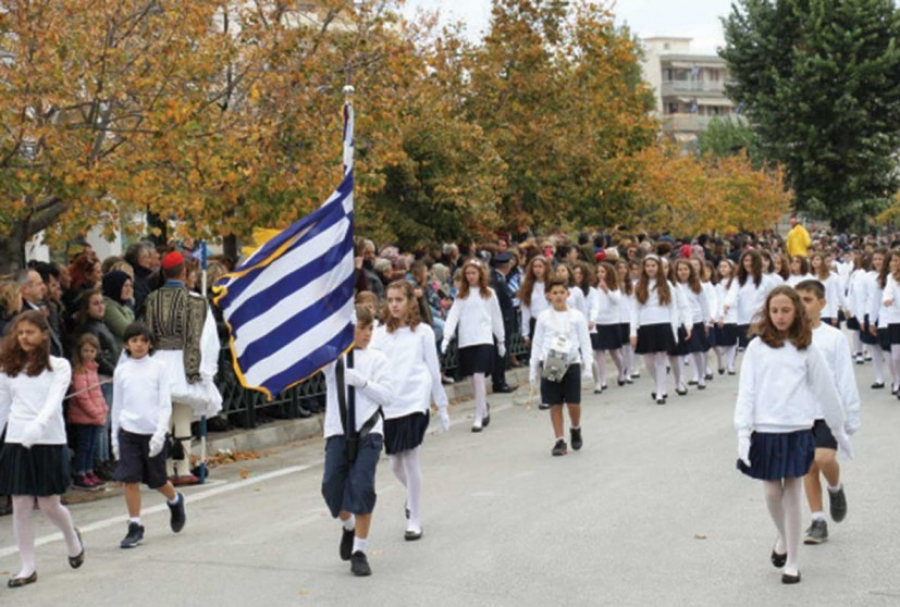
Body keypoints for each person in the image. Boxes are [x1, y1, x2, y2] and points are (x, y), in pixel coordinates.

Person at [734, 286, 852, 584]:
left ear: (796, 312)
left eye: (786, 310)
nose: (780, 316)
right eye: (774, 310)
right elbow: (746, 391)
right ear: (767, 312)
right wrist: (743, 431)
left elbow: (827, 391)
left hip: (798, 428)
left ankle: (793, 562)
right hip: (766, 429)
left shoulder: (807, 348)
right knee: (773, 492)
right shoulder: (757, 348)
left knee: (793, 492)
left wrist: (839, 430)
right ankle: (783, 538)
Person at [0, 311, 84, 588]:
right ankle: (27, 567)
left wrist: (37, 427)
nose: (24, 337)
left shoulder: (58, 366)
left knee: (49, 504)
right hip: (16, 440)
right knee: (21, 503)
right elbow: (2, 407)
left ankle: (72, 538)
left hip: (47, 439)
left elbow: (53, 402)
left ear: (44, 335)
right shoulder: (8, 367)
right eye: (20, 332)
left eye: (29, 332)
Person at [372, 280, 450, 541]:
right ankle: (412, 495)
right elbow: (370, 366)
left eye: (399, 300)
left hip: (415, 400)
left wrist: (441, 404)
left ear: (410, 302)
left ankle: (415, 519)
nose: (394, 305)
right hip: (390, 403)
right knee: (395, 464)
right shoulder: (380, 333)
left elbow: (432, 368)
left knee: (410, 457)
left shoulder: (424, 332)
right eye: (390, 300)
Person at [321, 306, 393, 576]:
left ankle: (360, 550)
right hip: (338, 430)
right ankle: (348, 526)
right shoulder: (334, 358)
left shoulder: (378, 359)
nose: (366, 334)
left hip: (368, 430)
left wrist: (363, 383)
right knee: (331, 488)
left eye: (370, 328)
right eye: (361, 328)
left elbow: (388, 396)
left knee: (362, 487)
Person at [142, 251, 223, 485]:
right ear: (184, 273)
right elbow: (206, 339)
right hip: (185, 361)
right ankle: (184, 468)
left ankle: (165, 469)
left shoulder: (151, 299)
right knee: (182, 416)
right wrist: (205, 368)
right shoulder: (197, 302)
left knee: (163, 418)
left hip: (158, 361)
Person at [794, 280, 860, 545]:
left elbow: (845, 377)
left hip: (826, 412)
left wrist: (850, 414)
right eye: (798, 299)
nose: (802, 305)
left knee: (823, 459)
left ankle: (835, 488)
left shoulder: (834, 337)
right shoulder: (788, 336)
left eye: (808, 299)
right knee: (807, 467)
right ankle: (818, 520)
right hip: (798, 412)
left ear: (822, 303)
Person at [111, 322, 187, 548]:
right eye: (134, 341)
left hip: (152, 431)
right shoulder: (121, 370)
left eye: (143, 341)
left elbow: (165, 404)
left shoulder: (159, 368)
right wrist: (114, 438)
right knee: (130, 478)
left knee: (157, 481)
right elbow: (117, 405)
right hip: (128, 431)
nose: (139, 345)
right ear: (127, 344)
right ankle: (135, 524)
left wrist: (160, 433)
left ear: (150, 344)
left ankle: (175, 500)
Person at [529, 278, 593, 456]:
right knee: (555, 403)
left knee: (573, 402)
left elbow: (585, 342)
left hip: (571, 362)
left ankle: (575, 427)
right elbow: (537, 343)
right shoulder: (543, 317)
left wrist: (588, 366)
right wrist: (533, 368)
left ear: (567, 294)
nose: (558, 296)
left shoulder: (577, 316)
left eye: (561, 292)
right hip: (551, 362)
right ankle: (559, 440)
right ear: (548, 295)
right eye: (554, 293)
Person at [441, 260, 506, 433]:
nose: (470, 277)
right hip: (466, 340)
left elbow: (496, 316)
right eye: (467, 274)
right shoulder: (461, 295)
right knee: (471, 378)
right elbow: (453, 316)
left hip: (484, 338)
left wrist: (501, 340)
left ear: (480, 274)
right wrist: (446, 337)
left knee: (479, 376)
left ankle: (478, 416)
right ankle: (483, 405)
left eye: (473, 273)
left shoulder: (489, 293)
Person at [631, 255, 680, 405]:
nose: (650, 268)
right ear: (644, 269)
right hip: (645, 325)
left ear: (658, 267)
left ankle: (660, 391)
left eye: (653, 265)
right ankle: (658, 383)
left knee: (660, 359)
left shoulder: (667, 285)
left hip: (663, 323)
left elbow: (673, 309)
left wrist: (674, 331)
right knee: (649, 361)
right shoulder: (638, 285)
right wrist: (633, 331)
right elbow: (635, 310)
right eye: (648, 266)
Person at [68, 333, 109, 489]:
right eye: (85, 351)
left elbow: (97, 393)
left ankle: (89, 471)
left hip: (94, 416)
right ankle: (80, 472)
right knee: (84, 446)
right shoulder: (79, 371)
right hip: (83, 417)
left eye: (92, 351)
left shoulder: (93, 370)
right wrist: (95, 412)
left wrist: (103, 408)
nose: (88, 354)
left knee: (91, 446)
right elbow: (82, 396)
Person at [588, 262, 625, 391]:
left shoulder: (614, 287)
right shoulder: (593, 288)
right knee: (599, 352)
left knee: (614, 351)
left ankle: (621, 371)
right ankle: (602, 380)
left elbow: (616, 301)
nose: (600, 274)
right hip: (599, 322)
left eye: (603, 272)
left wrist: (607, 290)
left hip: (612, 321)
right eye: (598, 272)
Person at [489, 252, 516, 393]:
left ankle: (500, 379)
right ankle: (499, 381)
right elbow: (501, 302)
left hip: (504, 318)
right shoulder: (497, 280)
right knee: (500, 350)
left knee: (503, 350)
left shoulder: (500, 278)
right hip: (501, 319)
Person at [713, 259, 739, 374]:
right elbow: (716, 300)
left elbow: (732, 297)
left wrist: (725, 311)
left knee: (732, 342)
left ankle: (730, 364)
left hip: (732, 315)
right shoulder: (717, 283)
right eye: (721, 267)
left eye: (725, 267)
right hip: (719, 314)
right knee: (720, 343)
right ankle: (722, 361)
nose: (722, 269)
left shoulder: (735, 282)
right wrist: (718, 315)